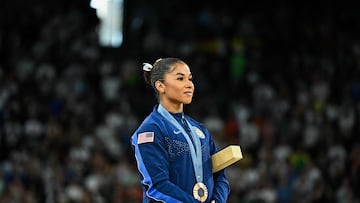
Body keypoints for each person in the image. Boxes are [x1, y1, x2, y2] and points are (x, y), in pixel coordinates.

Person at [130, 57, 230, 203]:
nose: (189, 84)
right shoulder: (150, 130)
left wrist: (217, 200)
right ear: (160, 86)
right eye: (180, 78)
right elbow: (157, 186)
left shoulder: (200, 130)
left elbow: (220, 176)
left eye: (190, 79)